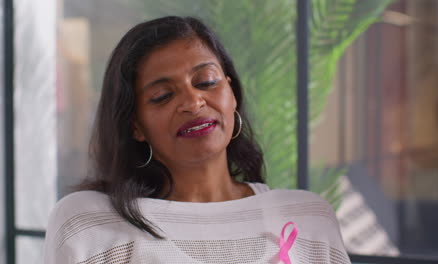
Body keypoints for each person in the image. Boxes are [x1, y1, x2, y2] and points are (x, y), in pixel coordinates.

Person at [44, 16, 351, 264]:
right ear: (135, 125)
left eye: (206, 82)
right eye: (162, 96)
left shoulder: (309, 219)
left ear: (231, 93)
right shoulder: (89, 223)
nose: (193, 102)